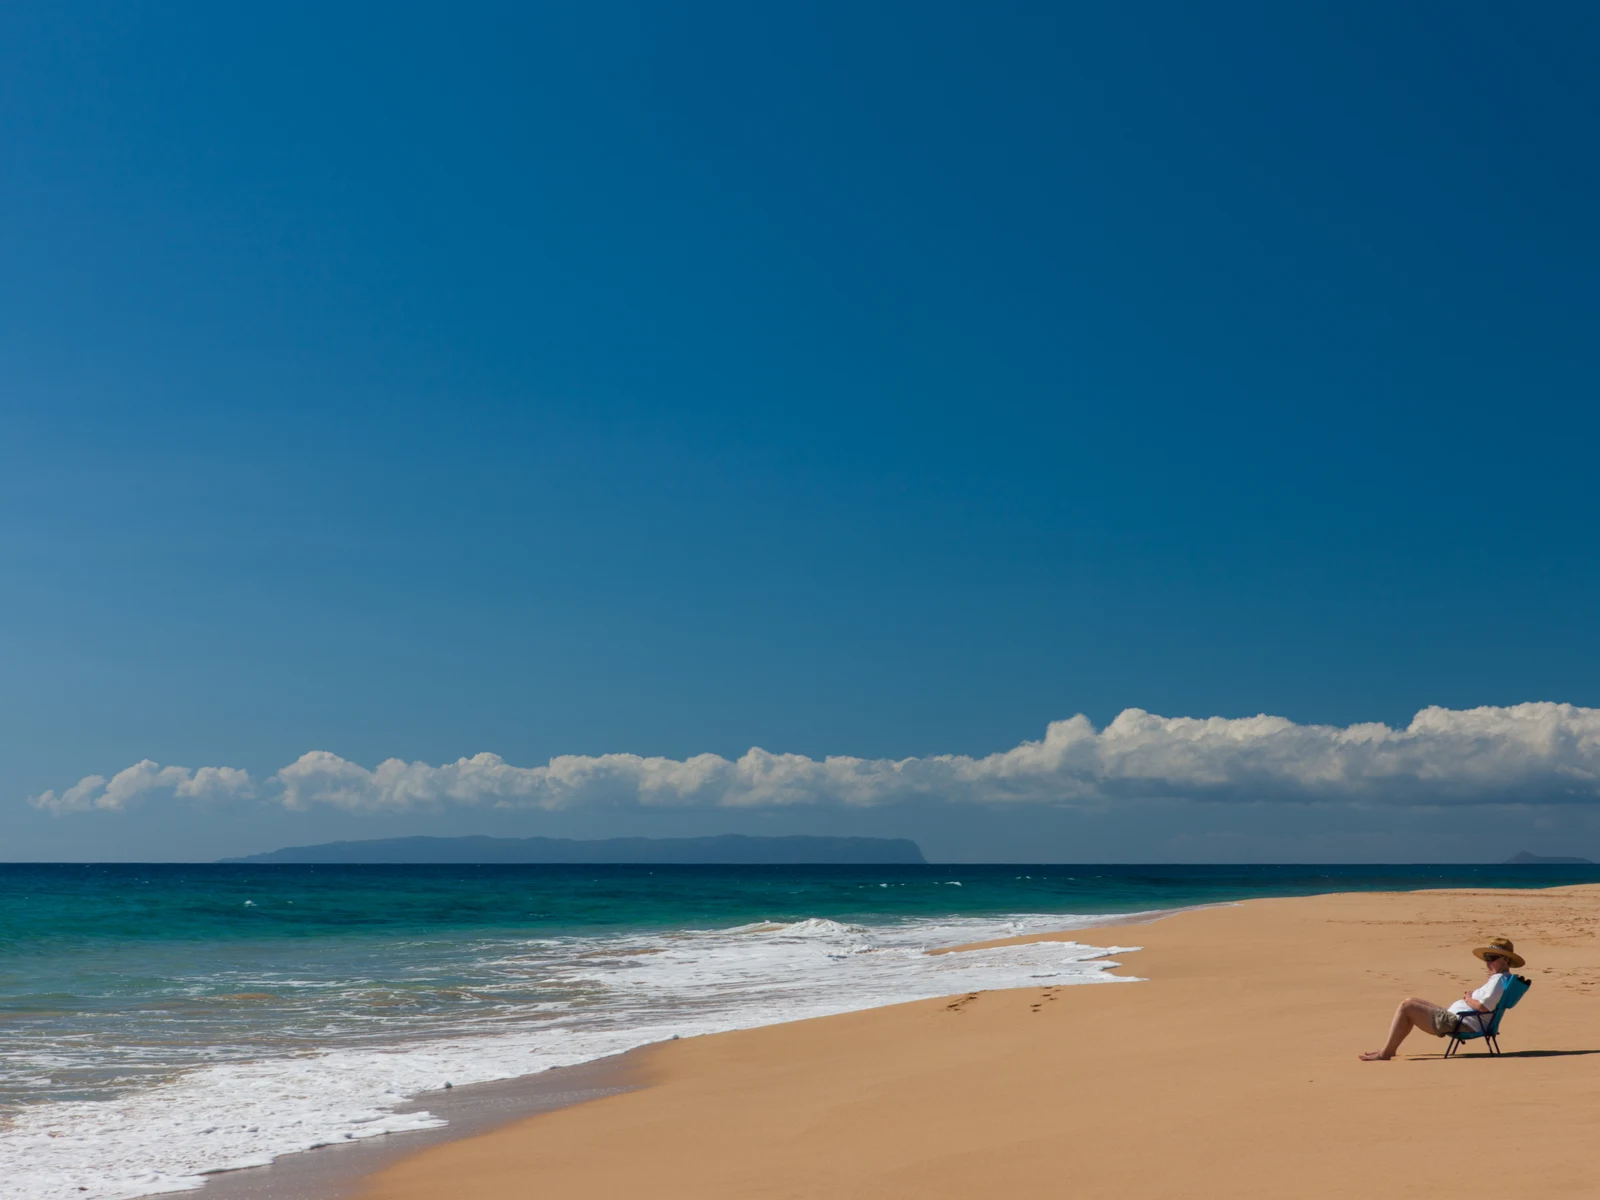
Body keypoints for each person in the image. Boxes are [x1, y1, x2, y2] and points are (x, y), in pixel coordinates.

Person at [1359, 937, 1525, 1061]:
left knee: (1406, 1006)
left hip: (1461, 1024)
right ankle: (1389, 1049)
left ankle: (1386, 1052)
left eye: (1492, 959)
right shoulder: (1502, 979)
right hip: (1461, 1020)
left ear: (1504, 959)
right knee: (1412, 1000)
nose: (1487, 963)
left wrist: (1468, 998)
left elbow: (1483, 1007)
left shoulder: (1498, 980)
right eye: (1486, 958)